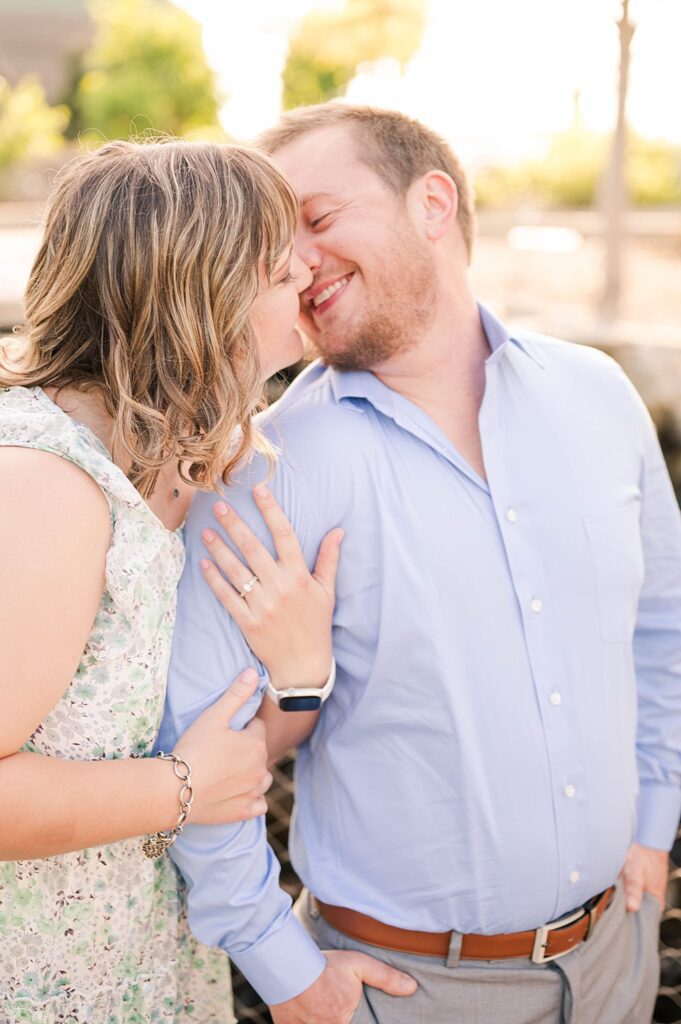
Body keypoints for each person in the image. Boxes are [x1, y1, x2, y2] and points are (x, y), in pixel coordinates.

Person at [160, 105, 681, 1024]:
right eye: (274, 248)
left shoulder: (599, 394)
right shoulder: (264, 473)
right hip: (403, 991)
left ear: (432, 203)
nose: (297, 265)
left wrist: (652, 823)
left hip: (617, 955)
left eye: (317, 220)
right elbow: (197, 750)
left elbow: (661, 629)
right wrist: (288, 973)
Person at [0, 137, 357, 1023]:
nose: (310, 269)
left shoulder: (191, 462)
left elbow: (230, 748)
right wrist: (178, 791)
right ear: (206, 302)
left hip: (143, 960)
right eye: (280, 270)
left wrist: (302, 668)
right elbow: (200, 774)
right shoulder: (45, 485)